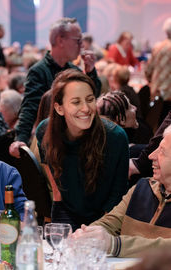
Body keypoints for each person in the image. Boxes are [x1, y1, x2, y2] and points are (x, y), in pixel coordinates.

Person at [35, 69, 129, 231]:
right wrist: (58, 200)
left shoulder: (115, 137)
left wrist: (96, 231)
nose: (86, 108)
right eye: (76, 102)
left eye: (90, 99)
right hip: (65, 210)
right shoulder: (45, 131)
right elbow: (50, 170)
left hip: (104, 218)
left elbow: (116, 196)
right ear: (59, 108)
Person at [73, 124, 171, 257]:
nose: (151, 156)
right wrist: (88, 234)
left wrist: (115, 245)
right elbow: (109, 223)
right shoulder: (143, 188)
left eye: (162, 152)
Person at [10, 17, 102, 157]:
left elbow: (92, 99)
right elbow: (30, 107)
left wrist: (91, 72)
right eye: (77, 40)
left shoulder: (74, 70)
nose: (81, 45)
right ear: (60, 41)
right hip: (52, 144)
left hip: (76, 138)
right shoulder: (39, 71)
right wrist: (21, 139)